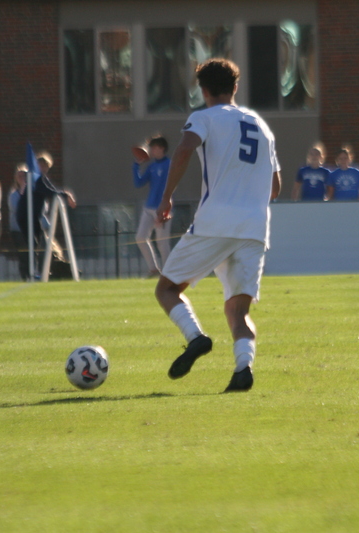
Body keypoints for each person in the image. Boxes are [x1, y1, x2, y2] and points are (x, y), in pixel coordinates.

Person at [154, 58, 281, 393]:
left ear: (204, 90)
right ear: (235, 87)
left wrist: (166, 197)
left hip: (215, 222)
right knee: (237, 309)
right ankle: (243, 368)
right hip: (255, 227)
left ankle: (195, 338)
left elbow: (183, 151)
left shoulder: (203, 117)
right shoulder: (262, 126)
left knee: (167, 289)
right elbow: (276, 187)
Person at [16, 151, 76, 273]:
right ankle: (30, 273)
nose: (42, 168)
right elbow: (49, 191)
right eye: (40, 165)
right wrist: (66, 195)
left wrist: (65, 194)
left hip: (34, 217)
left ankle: (36, 271)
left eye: (45, 166)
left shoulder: (42, 179)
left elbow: (53, 189)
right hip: (25, 216)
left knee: (37, 244)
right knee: (32, 244)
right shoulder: (35, 179)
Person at [133, 134, 171, 277]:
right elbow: (138, 183)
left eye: (153, 148)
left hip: (162, 208)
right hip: (149, 207)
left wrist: (165, 209)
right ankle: (153, 269)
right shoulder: (152, 166)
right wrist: (136, 165)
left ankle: (168, 274)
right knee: (140, 237)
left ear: (161, 148)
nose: (151, 151)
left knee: (162, 243)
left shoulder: (169, 164)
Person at [8, 164, 30, 281]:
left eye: (24, 175)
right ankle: (25, 278)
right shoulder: (13, 195)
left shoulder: (32, 193)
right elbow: (17, 209)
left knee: (32, 254)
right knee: (23, 255)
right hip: (18, 230)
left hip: (31, 229)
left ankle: (33, 276)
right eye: (19, 176)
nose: (22, 178)